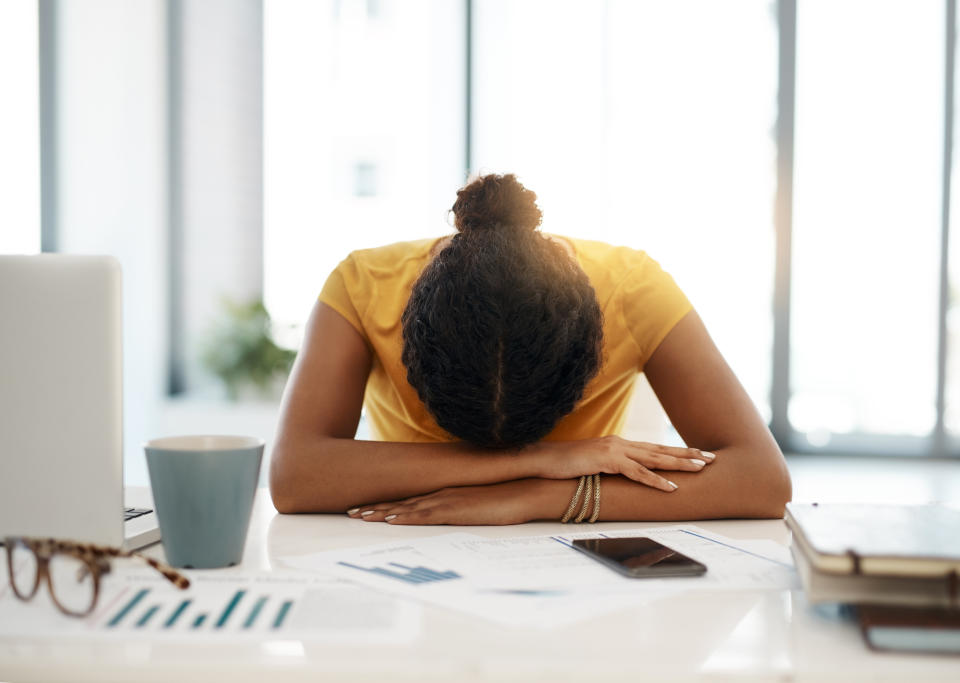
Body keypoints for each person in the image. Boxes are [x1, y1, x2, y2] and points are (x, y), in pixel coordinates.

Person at [269, 173, 791, 524]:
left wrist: (532, 497)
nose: (506, 458)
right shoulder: (363, 284)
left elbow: (761, 480)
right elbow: (294, 477)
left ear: (593, 342)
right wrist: (548, 458)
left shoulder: (632, 288)